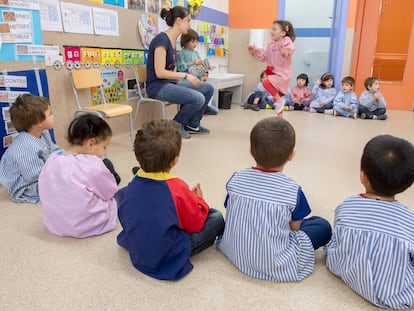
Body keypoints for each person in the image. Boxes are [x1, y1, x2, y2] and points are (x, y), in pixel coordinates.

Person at [217, 117, 332, 282]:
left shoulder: (236, 178)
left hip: (234, 251)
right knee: (321, 225)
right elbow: (295, 228)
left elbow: (231, 210)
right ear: (292, 155)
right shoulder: (292, 189)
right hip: (276, 264)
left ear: (250, 150)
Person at [116, 119, 225, 281]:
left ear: (138, 155)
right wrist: (199, 201)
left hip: (137, 244)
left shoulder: (130, 185)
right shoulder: (177, 187)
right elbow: (194, 224)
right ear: (175, 159)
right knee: (215, 216)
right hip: (167, 252)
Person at [325, 135, 414, 309]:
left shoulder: (346, 205)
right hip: (396, 297)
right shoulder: (409, 220)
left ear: (362, 175)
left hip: (344, 271)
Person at [39, 114, 120, 238]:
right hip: (86, 225)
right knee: (122, 195)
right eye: (104, 147)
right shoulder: (93, 165)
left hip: (56, 223)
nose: (104, 152)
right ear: (91, 143)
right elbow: (109, 192)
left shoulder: (52, 158)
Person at [146, 6, 213, 139]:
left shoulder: (173, 42)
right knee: (197, 98)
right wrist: (186, 76)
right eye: (188, 20)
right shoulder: (161, 40)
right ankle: (175, 126)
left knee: (207, 88)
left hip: (170, 83)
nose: (190, 24)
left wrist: (199, 69)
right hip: (157, 86)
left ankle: (192, 124)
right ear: (178, 20)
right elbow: (160, 72)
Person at [0, 94, 60, 204]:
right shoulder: (25, 147)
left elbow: (53, 149)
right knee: (64, 187)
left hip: (43, 171)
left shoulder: (43, 132)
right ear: (38, 123)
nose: (53, 116)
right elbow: (34, 176)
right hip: (27, 185)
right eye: (49, 114)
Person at [248, 20, 296, 117]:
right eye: (272, 29)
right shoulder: (271, 45)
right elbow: (264, 57)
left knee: (265, 82)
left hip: (283, 75)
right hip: (274, 74)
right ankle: (280, 119)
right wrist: (255, 51)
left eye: (274, 29)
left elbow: (290, 47)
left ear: (283, 33)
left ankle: (279, 101)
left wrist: (286, 51)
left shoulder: (285, 41)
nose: (271, 31)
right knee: (276, 100)